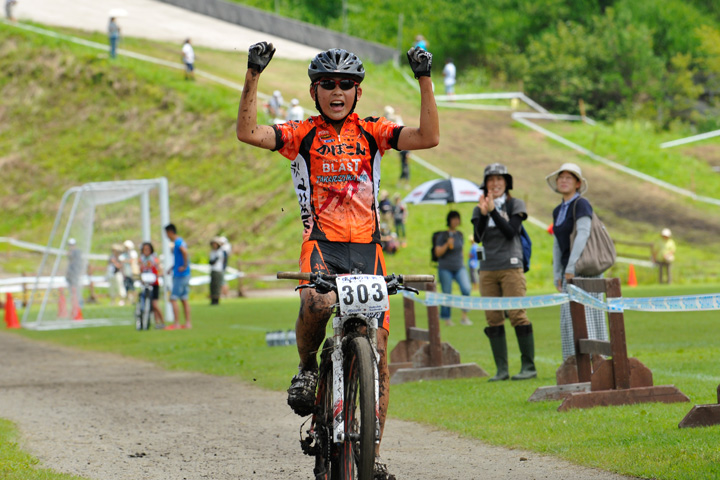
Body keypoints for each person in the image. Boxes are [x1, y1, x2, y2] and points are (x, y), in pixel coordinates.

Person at [235, 41, 439, 479]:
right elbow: (248, 133)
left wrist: (424, 78)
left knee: (380, 356)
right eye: (326, 83)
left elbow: (428, 138)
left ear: (357, 92)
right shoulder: (301, 133)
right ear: (314, 92)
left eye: (346, 84)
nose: (337, 90)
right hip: (323, 244)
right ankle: (308, 370)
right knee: (318, 304)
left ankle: (374, 453)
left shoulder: (372, 131)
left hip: (369, 248)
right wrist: (254, 73)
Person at [471, 163, 536, 381]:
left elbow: (511, 232)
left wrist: (494, 213)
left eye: (500, 179)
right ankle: (502, 370)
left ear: (507, 183)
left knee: (517, 314)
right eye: (491, 180)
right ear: (486, 184)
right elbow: (478, 238)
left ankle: (528, 367)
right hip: (487, 269)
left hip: (511, 266)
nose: (496, 183)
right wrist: (481, 215)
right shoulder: (479, 207)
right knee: (493, 318)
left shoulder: (515, 204)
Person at [547, 162, 608, 360]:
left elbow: (583, 234)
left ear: (577, 183)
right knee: (569, 318)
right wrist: (558, 272)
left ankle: (595, 361)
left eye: (569, 177)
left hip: (583, 268)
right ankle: (573, 362)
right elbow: (557, 243)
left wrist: (571, 267)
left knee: (589, 316)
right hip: (568, 271)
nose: (564, 181)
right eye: (561, 177)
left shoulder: (581, 204)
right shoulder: (558, 210)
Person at [434, 211, 472, 326]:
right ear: (449, 220)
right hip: (445, 268)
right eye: (453, 218)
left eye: (457, 218)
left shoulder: (460, 234)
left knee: (466, 288)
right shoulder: (442, 236)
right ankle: (447, 318)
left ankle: (464, 316)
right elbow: (437, 253)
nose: (456, 221)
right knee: (447, 293)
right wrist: (447, 244)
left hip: (459, 267)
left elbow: (460, 250)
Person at [165, 223, 191, 329]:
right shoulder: (180, 241)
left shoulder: (178, 242)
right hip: (184, 273)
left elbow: (184, 252)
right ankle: (188, 323)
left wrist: (184, 265)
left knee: (173, 298)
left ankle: (176, 323)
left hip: (180, 275)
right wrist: (172, 267)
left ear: (170, 232)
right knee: (184, 298)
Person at [139, 242, 165, 329]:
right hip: (145, 283)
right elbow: (139, 270)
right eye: (144, 249)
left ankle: (162, 322)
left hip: (154, 284)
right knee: (148, 304)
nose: (146, 251)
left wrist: (159, 274)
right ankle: (156, 323)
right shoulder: (141, 259)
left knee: (155, 304)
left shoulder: (154, 259)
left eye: (148, 249)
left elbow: (160, 269)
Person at [384, 106, 410, 185]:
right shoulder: (392, 121)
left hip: (400, 135)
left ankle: (403, 183)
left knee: (405, 169)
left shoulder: (394, 120)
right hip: (399, 137)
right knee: (405, 169)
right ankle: (403, 183)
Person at [65, 238, 83, 318]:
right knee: (71, 290)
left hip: (75, 274)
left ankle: (79, 304)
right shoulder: (70, 253)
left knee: (76, 290)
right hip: (70, 274)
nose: (71, 246)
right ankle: (73, 304)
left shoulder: (76, 252)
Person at [120, 240, 139, 304]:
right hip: (126, 273)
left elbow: (132, 261)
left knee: (132, 287)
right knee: (126, 287)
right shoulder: (124, 254)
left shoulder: (133, 253)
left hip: (132, 273)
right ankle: (128, 300)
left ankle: (134, 300)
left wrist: (126, 261)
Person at [209, 237, 225, 305]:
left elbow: (214, 261)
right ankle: (213, 299)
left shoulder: (219, 252)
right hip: (213, 269)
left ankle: (216, 300)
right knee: (212, 285)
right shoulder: (212, 252)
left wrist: (212, 262)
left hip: (218, 270)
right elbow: (210, 261)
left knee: (217, 285)